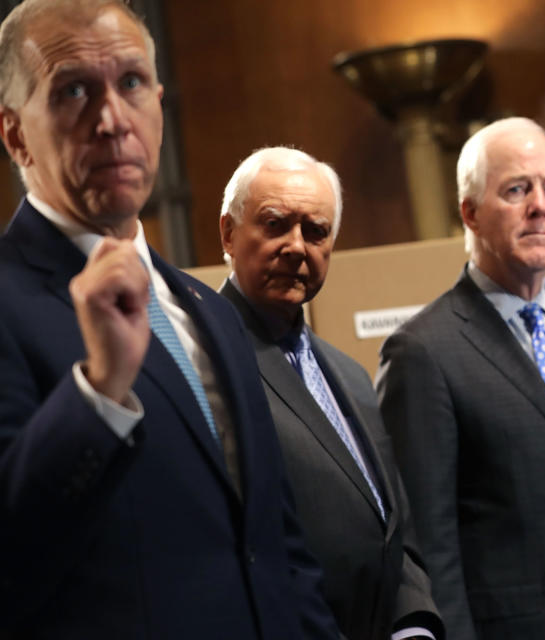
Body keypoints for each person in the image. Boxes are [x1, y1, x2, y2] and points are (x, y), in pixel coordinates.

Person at [0, 2, 338, 637]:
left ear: (158, 103)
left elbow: (278, 549)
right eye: (73, 90)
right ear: (16, 134)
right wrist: (98, 393)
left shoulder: (210, 307)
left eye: (131, 84)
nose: (111, 120)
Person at [375, 117, 545, 640]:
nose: (539, 205)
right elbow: (429, 550)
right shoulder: (422, 352)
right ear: (469, 212)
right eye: (516, 189)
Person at [218, 146, 444, 640]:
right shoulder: (207, 361)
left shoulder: (348, 373)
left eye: (315, 231)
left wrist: (414, 626)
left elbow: (392, 526)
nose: (297, 246)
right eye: (275, 223)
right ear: (228, 234)